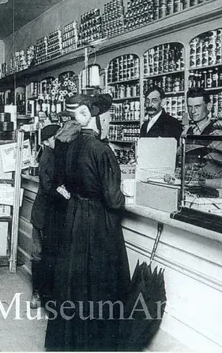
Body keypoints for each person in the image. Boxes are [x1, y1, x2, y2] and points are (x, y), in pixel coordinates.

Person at [45, 98, 130, 351]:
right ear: (96, 118)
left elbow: (66, 184)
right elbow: (114, 200)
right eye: (107, 117)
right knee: (99, 286)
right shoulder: (102, 150)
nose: (109, 121)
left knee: (74, 285)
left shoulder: (71, 145)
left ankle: (72, 342)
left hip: (75, 218)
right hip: (97, 222)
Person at [29, 124, 63, 309]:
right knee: (40, 254)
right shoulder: (48, 157)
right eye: (56, 137)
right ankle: (37, 293)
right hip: (44, 214)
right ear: (48, 140)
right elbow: (49, 186)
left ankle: (40, 294)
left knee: (42, 255)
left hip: (45, 214)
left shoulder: (52, 154)